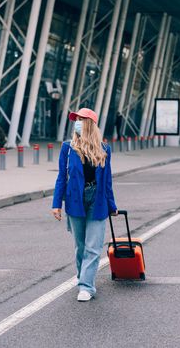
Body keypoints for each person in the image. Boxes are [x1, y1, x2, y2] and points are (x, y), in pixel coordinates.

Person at [52, 108, 118, 302]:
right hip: (75, 200)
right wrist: (56, 204)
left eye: (81, 119)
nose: (77, 122)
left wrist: (111, 205)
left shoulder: (104, 149)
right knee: (80, 246)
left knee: (93, 246)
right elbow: (61, 177)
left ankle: (86, 286)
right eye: (76, 119)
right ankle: (83, 278)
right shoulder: (68, 147)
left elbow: (107, 181)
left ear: (90, 123)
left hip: (96, 199)